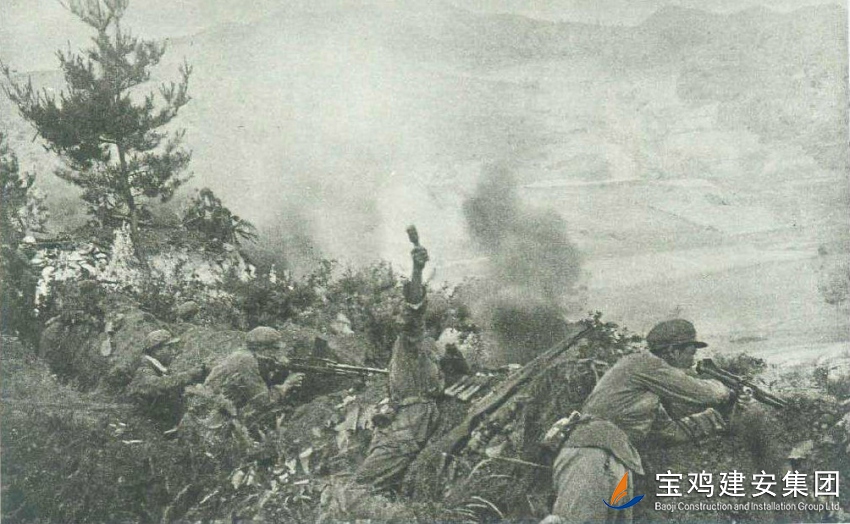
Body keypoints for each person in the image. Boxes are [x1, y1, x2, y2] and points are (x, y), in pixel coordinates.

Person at [543, 319, 733, 524]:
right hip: (592, 455)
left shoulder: (646, 393)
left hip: (612, 458)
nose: (692, 360)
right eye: (690, 352)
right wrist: (728, 390)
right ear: (673, 352)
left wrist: (718, 417)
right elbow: (702, 392)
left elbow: (669, 431)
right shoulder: (644, 363)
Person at [353, 240, 445, 494]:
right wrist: (417, 270)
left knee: (369, 487)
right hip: (405, 425)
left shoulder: (427, 349)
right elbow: (415, 310)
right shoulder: (411, 342)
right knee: (362, 488)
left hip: (409, 424)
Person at [126, 329, 205, 425]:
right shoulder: (144, 368)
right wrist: (189, 375)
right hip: (137, 423)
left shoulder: (156, 368)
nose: (173, 351)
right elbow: (158, 385)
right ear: (156, 350)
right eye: (169, 347)